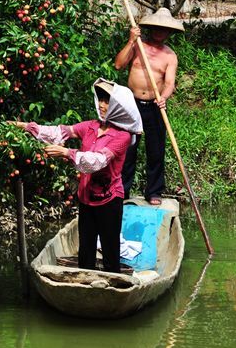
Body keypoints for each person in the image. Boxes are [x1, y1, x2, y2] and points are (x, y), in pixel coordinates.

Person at [12, 79, 142, 273]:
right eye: (101, 100)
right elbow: (60, 132)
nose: (101, 105)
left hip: (109, 200)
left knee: (110, 251)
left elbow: (97, 161)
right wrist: (26, 126)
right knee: (86, 250)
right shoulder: (90, 126)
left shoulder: (122, 136)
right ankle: (85, 286)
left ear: (118, 107)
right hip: (87, 198)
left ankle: (112, 290)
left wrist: (67, 153)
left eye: (107, 101)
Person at [114, 8, 184, 205]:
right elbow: (118, 65)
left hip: (155, 105)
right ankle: (122, 190)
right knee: (127, 149)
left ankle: (154, 191)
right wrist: (130, 40)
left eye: (164, 29)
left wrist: (163, 97)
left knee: (156, 150)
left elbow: (169, 83)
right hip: (131, 104)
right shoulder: (138, 46)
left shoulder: (170, 56)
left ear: (169, 32)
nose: (160, 32)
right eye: (157, 28)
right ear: (151, 28)